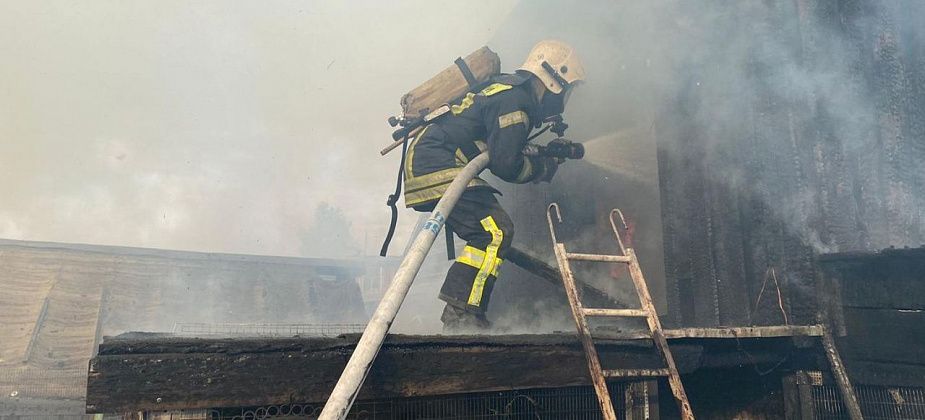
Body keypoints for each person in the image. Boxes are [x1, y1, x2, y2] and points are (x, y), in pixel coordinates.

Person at [403, 40, 586, 330]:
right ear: (554, 81)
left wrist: (543, 155)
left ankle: (466, 311)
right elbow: (506, 164)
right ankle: (461, 313)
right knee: (496, 231)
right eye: (568, 89)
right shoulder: (517, 102)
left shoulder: (507, 93)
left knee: (492, 231)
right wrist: (543, 169)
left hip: (430, 161)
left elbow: (500, 146)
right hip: (436, 165)